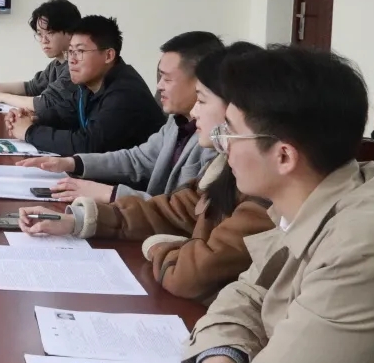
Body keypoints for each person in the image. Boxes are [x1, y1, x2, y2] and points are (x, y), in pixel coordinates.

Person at [183, 46, 374, 363]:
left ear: (284, 156)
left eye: (229, 133)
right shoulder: (313, 199)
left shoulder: (361, 245)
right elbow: (247, 294)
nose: (223, 147)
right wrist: (221, 355)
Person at [19, 43, 274, 302]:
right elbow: (169, 209)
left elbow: (192, 273)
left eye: (202, 99)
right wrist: (77, 220)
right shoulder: (204, 152)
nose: (195, 111)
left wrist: (156, 244)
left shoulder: (259, 191)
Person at [19, 31, 223, 202]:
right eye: (70, 51)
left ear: (201, 83)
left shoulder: (215, 141)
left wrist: (109, 193)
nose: (159, 86)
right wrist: (72, 163)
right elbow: (139, 159)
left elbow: (183, 214)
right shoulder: (178, 121)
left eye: (167, 79)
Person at [6, 15, 165, 154]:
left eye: (80, 51)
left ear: (108, 55)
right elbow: (66, 116)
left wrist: (29, 132)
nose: (72, 60)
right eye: (70, 52)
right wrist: (33, 119)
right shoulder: (88, 84)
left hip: (136, 178)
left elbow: (87, 145)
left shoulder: (125, 93)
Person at [0, 0, 80, 119]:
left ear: (70, 32)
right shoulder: (56, 64)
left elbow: (44, 104)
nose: (44, 40)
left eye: (50, 33)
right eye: (40, 34)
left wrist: (1, 97)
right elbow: (29, 88)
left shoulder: (75, 68)